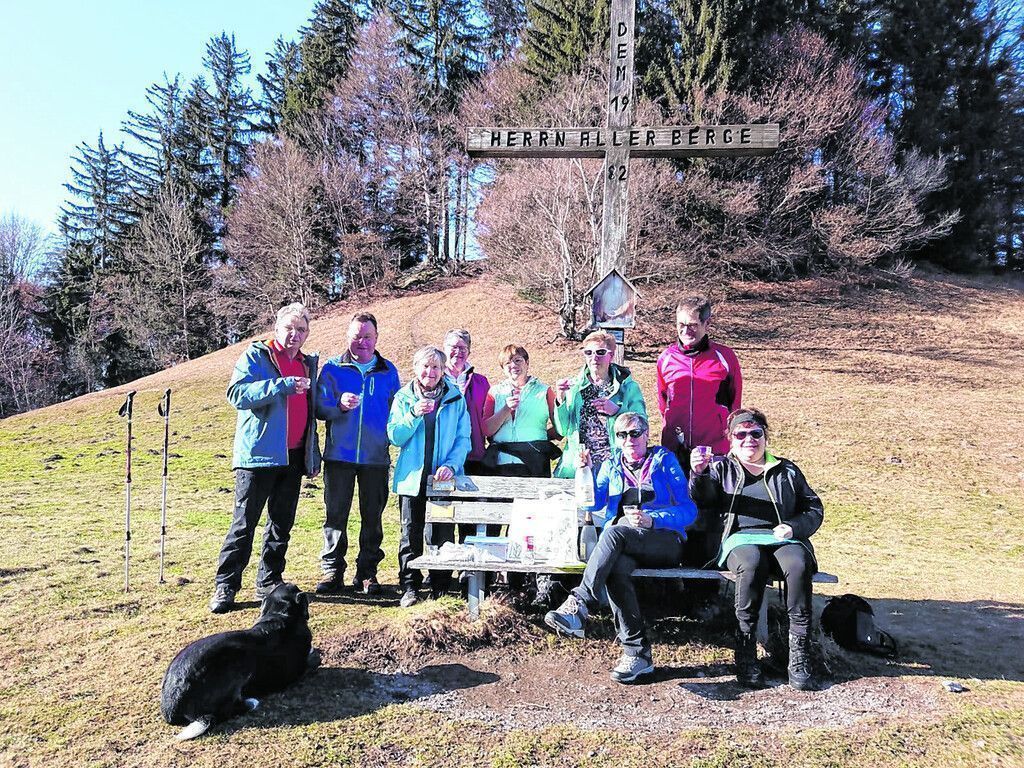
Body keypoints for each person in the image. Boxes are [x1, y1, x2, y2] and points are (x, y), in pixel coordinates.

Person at [544, 412, 697, 684]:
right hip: (625, 544)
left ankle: (580, 602)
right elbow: (590, 504)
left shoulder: (664, 461)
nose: (629, 440)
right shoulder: (612, 465)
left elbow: (689, 510)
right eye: (622, 435)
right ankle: (637, 654)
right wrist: (585, 471)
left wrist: (653, 520)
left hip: (663, 540)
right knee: (617, 566)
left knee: (613, 534)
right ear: (616, 440)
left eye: (635, 433)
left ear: (646, 434)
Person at [689, 408, 824, 691]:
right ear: (730, 440)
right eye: (741, 434)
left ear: (765, 436)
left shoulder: (786, 470)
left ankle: (798, 656)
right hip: (740, 539)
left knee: (798, 564)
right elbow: (704, 498)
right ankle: (746, 655)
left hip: (782, 537)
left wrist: (793, 527)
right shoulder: (722, 468)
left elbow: (813, 508)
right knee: (751, 564)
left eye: (755, 433)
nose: (749, 439)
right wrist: (698, 473)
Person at [209, 303, 321, 614]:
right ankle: (226, 586)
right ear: (277, 329)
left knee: (281, 524)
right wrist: (281, 386)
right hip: (258, 457)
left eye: (301, 330)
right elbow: (238, 395)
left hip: (294, 456)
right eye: (289, 328)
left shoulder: (307, 364)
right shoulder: (256, 356)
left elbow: (313, 410)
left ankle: (269, 581)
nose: (294, 335)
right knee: (244, 524)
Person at [314, 312, 401, 596]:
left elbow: (397, 412)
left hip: (376, 457)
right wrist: (337, 405)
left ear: (376, 338)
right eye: (356, 336)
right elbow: (318, 408)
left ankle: (367, 573)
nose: (361, 342)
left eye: (367, 337)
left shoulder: (389, 372)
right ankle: (332, 571)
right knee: (335, 515)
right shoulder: (332, 368)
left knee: (372, 517)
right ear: (347, 337)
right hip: (339, 456)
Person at [387, 346, 471, 608]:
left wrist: (452, 465)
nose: (430, 372)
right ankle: (410, 586)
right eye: (425, 366)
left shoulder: (455, 398)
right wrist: (413, 414)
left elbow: (463, 437)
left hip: (442, 478)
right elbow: (394, 436)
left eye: (436, 367)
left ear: (442, 370)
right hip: (412, 478)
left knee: (442, 534)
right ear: (415, 368)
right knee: (410, 532)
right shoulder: (403, 398)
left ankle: (440, 587)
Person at [655, 295, 742, 464]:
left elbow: (735, 403)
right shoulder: (666, 358)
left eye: (693, 325)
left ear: (706, 324)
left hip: (713, 448)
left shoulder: (725, 357)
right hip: (674, 447)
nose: (686, 331)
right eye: (681, 325)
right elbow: (663, 403)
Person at [552, 329, 647, 479]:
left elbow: (642, 425)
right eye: (588, 352)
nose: (594, 357)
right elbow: (563, 430)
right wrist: (560, 398)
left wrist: (617, 412)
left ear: (611, 354)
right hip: (579, 465)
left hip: (614, 466)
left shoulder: (628, 387)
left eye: (600, 352)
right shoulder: (574, 387)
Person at [442, 328, 493, 544]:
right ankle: (440, 574)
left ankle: (468, 572)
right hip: (442, 457)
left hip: (473, 455)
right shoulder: (434, 376)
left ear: (469, 351)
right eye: (453, 347)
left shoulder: (481, 382)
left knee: (469, 517)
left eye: (463, 348)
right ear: (445, 349)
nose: (458, 352)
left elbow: (487, 416)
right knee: (442, 516)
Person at [481, 344, 559, 477]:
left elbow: (560, 428)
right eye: (507, 363)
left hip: (535, 462)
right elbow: (487, 430)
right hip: (501, 462)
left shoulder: (544, 391)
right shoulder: (495, 392)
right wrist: (506, 409)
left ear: (527, 363)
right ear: (503, 369)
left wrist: (540, 437)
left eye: (518, 360)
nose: (513, 365)